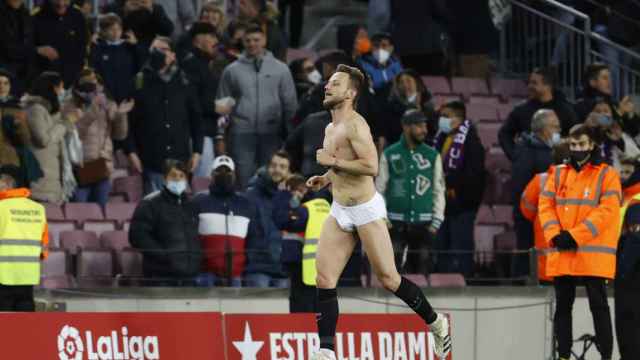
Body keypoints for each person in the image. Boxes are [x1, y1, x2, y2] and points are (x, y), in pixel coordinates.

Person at [305, 64, 450, 360]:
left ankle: (436, 323)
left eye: (335, 83)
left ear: (350, 93)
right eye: (328, 82)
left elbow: (370, 166)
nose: (327, 86)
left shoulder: (356, 125)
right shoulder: (331, 127)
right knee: (324, 278)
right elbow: (343, 162)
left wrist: (332, 160)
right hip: (341, 208)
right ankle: (327, 350)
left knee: (389, 279)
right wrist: (327, 177)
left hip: (365, 210)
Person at [538, 124, 620, 360]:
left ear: (592, 144)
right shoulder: (557, 173)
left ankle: (606, 356)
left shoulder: (607, 174)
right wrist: (554, 234)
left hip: (591, 251)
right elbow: (546, 205)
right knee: (563, 306)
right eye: (573, 145)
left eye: (581, 144)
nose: (577, 149)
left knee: (599, 306)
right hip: (563, 248)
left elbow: (607, 211)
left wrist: (574, 235)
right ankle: (562, 356)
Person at [217, 24, 297, 189]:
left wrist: (291, 136)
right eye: (248, 40)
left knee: (271, 178)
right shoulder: (232, 71)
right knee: (243, 180)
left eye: (256, 40)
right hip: (241, 133)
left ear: (264, 41)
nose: (252, 44)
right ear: (243, 42)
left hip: (271, 133)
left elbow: (290, 105)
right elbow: (223, 106)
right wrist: (220, 136)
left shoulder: (281, 70)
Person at [126, 36, 203, 195]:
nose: (157, 54)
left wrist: (197, 151)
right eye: (154, 50)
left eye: (162, 50)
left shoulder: (185, 81)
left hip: (180, 160)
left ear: (173, 55)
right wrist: (131, 152)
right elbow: (129, 122)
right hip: (151, 159)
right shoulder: (139, 81)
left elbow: (196, 119)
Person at [376, 109, 445, 275]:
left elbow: (439, 189)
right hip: (395, 223)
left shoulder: (432, 155)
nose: (425, 130)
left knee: (423, 272)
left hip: (425, 224)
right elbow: (378, 190)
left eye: (425, 125)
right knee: (392, 272)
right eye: (419, 126)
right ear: (406, 127)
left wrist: (436, 222)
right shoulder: (390, 154)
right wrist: (383, 219)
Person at [191, 155, 261, 287]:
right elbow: (190, 236)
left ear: (234, 175)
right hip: (205, 274)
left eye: (227, 171)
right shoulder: (198, 201)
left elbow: (253, 238)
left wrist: (245, 265)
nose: (223, 174)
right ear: (211, 174)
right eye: (219, 171)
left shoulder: (245, 204)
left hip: (236, 274)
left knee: (235, 308)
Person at [129, 159, 202, 286]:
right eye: (173, 176)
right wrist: (165, 256)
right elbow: (137, 236)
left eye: (181, 176)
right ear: (165, 178)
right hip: (161, 277)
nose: (178, 180)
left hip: (189, 278)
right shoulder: (150, 203)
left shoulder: (191, 205)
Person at [434, 100, 486, 276]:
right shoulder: (440, 138)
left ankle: (464, 281)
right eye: (441, 116)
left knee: (460, 246)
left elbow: (475, 176)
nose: (442, 120)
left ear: (459, 118)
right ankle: (442, 280)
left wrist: (457, 192)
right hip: (442, 204)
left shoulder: (471, 142)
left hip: (462, 204)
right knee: (442, 246)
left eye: (446, 116)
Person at [510, 109, 561, 278]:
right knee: (527, 251)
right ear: (544, 129)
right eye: (555, 127)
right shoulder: (527, 150)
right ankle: (521, 284)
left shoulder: (545, 150)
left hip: (540, 214)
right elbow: (520, 185)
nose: (558, 131)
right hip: (528, 213)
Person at [69, 79, 132, 207]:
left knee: (101, 212)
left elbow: (120, 135)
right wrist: (92, 109)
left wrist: (120, 115)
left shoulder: (109, 105)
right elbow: (75, 133)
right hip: (81, 167)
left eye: (98, 86)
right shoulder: (71, 106)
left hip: (103, 166)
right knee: (79, 212)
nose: (96, 90)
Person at [498, 67, 578, 161]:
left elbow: (576, 135)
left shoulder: (565, 110)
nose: (529, 86)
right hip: (528, 167)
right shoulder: (521, 110)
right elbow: (504, 134)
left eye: (534, 83)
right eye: (529, 82)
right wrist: (515, 156)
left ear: (547, 86)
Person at [182, 22, 230, 178]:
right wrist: (217, 107)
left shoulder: (207, 64)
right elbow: (192, 101)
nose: (215, 41)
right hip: (197, 134)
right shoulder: (191, 64)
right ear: (198, 39)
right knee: (201, 182)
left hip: (207, 131)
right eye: (211, 36)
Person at [25, 72, 81, 204]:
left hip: (53, 181)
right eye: (60, 88)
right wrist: (65, 123)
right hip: (41, 181)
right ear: (51, 88)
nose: (62, 91)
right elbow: (44, 140)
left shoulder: (53, 112)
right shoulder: (35, 110)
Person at [519, 142, 571, 283]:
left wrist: (540, 218)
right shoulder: (583, 181)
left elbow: (526, 209)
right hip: (574, 264)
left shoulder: (540, 180)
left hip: (545, 262)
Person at [0, 165, 48, 311]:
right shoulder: (38, 209)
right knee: (25, 325)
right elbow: (44, 246)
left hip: (3, 276)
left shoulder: (1, 207)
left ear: (7, 184)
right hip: (28, 276)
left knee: (4, 328)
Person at [244, 150, 292, 287]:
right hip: (257, 267)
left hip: (282, 269)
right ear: (266, 167)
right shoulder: (250, 196)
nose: (277, 170)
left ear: (289, 172)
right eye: (273, 165)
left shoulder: (292, 198)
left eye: (282, 167)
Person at [616, 156, 640, 360]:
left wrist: (621, 271)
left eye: (627, 172)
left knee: (630, 336)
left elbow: (635, 239)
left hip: (632, 279)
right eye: (621, 171)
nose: (623, 176)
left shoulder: (635, 199)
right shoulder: (622, 196)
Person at [33, 0, 88, 88]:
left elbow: (83, 47)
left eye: (65, 0)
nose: (61, 4)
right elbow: (26, 48)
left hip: (73, 80)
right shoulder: (36, 17)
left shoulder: (78, 16)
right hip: (45, 80)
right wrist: (37, 50)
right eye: (56, 0)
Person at [574, 63, 640, 137]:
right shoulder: (583, 105)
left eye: (610, 78)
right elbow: (602, 127)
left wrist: (631, 115)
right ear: (593, 82)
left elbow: (634, 132)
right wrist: (620, 112)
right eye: (605, 78)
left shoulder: (613, 102)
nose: (609, 81)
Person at [90, 13, 141, 104]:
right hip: (106, 100)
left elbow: (140, 72)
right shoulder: (98, 48)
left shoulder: (130, 47)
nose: (116, 32)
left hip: (129, 98)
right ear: (103, 31)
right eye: (111, 29)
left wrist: (138, 92)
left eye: (118, 29)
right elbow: (94, 73)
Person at [583, 99, 640, 172]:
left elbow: (632, 155)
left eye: (606, 111)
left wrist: (619, 141)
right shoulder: (587, 133)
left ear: (612, 115)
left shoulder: (619, 133)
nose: (602, 114)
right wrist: (586, 128)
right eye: (598, 112)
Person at [382, 70, 434, 147]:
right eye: (401, 82)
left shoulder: (427, 104)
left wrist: (419, 111)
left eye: (408, 81)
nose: (405, 85)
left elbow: (432, 130)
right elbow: (390, 132)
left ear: (417, 83)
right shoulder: (392, 106)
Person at [103, 0, 174, 49]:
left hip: (146, 51)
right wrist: (125, 12)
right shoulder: (113, 7)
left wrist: (152, 11)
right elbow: (107, 30)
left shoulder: (155, 7)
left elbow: (168, 31)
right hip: (122, 50)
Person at [0, 0, 37, 95]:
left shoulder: (25, 12)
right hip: (5, 74)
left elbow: (29, 40)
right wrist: (36, 50)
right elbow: (7, 47)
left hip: (23, 76)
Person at [357, 32, 403, 98]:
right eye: (376, 45)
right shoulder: (363, 65)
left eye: (384, 45)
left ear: (391, 48)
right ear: (371, 47)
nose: (380, 49)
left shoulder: (396, 64)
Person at [285, 111, 331, 178]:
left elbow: (289, 146)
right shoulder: (312, 120)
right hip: (311, 174)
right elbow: (290, 146)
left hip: (309, 174)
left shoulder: (312, 119)